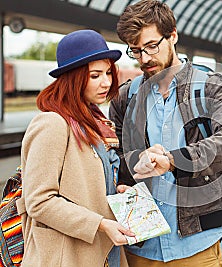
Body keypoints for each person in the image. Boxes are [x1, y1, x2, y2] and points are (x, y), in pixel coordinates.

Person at [109, 0, 222, 266]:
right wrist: (133, 162)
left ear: (172, 35)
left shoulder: (210, 87)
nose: (145, 58)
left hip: (196, 245)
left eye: (152, 46)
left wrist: (173, 160)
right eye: (136, 51)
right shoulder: (126, 97)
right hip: (141, 247)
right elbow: (113, 158)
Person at [18, 29, 135, 266]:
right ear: (73, 78)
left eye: (108, 73)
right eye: (95, 75)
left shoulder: (96, 122)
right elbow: (39, 201)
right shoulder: (51, 123)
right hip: (67, 256)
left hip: (104, 250)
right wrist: (100, 224)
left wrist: (118, 189)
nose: (106, 82)